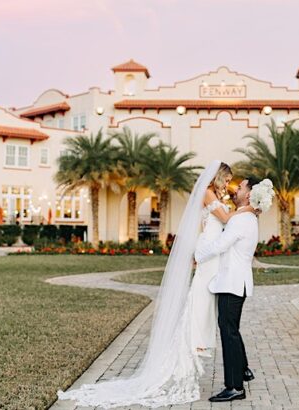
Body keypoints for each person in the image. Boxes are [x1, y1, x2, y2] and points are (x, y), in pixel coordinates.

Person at [57, 160, 257, 408]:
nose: (229, 185)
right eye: (227, 180)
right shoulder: (209, 195)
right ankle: (209, 361)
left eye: (232, 183)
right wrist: (249, 208)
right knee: (208, 314)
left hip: (218, 265)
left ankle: (239, 368)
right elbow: (226, 219)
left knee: (226, 322)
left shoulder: (219, 199)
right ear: (217, 177)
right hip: (209, 262)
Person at [195, 176, 265, 402]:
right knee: (231, 328)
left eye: (241, 187)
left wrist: (197, 255)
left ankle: (234, 387)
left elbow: (221, 245)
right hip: (237, 282)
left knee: (228, 331)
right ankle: (242, 370)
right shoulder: (247, 216)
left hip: (231, 282)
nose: (236, 189)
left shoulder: (242, 219)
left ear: (250, 193)